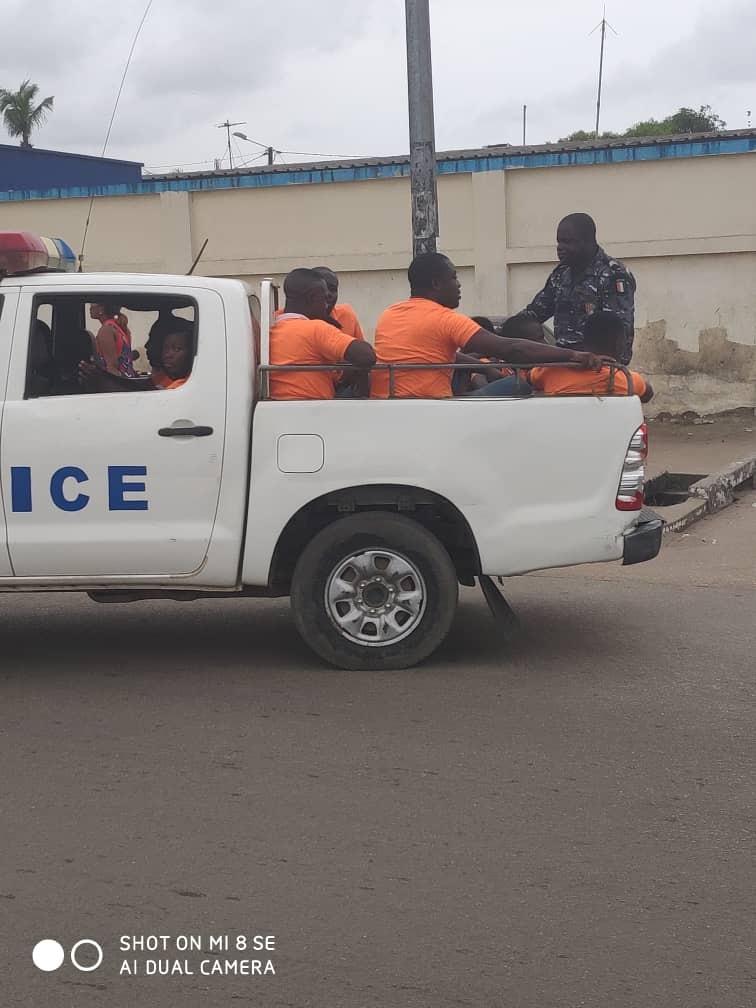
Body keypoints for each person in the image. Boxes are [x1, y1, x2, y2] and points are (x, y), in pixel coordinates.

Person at [371, 252, 603, 400]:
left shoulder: (389, 314)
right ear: (436, 284)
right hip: (432, 407)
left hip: (388, 402)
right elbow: (511, 349)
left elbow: (431, 357)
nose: (459, 284)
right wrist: (573, 354)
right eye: (454, 278)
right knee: (518, 386)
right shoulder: (445, 319)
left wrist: (484, 368)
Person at [521, 213, 636, 363]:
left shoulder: (613, 275)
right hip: (562, 363)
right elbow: (535, 313)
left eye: (568, 242)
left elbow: (618, 333)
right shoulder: (561, 273)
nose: (560, 248)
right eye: (559, 242)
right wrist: (499, 335)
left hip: (597, 367)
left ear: (588, 241)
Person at [270, 269, 375, 400]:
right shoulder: (316, 328)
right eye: (324, 299)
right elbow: (366, 356)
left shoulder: (270, 327)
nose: (327, 305)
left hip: (275, 406)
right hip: (314, 411)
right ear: (312, 298)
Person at [528, 311, 653, 402]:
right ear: (619, 343)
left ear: (584, 340)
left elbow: (529, 378)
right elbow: (647, 394)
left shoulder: (549, 371)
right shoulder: (626, 379)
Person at [312, 266, 365, 339]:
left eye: (333, 289)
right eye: (323, 289)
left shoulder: (346, 315)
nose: (328, 294)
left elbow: (361, 348)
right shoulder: (299, 321)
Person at [89, 302, 136, 378]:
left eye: (93, 303)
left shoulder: (106, 330)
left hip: (117, 383)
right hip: (127, 380)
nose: (90, 306)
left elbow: (112, 368)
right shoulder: (120, 327)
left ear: (101, 309)